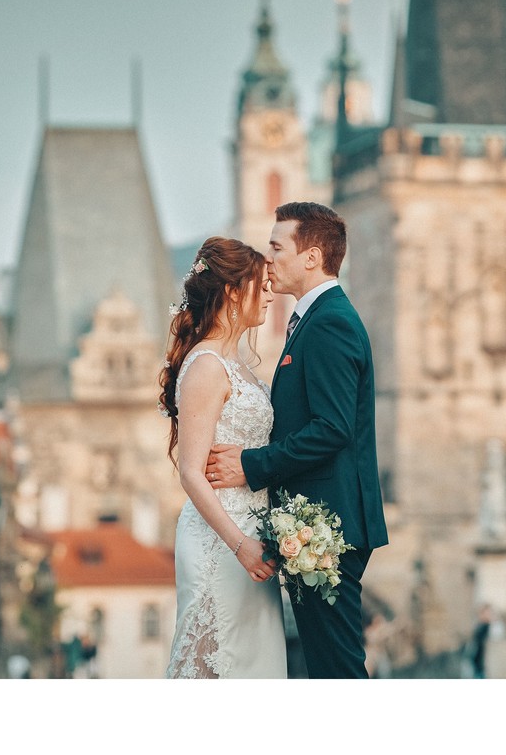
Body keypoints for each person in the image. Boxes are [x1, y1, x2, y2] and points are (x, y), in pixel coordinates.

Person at [206, 202, 388, 679]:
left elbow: (333, 428)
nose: (267, 259)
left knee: (337, 668)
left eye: (276, 246)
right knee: (329, 667)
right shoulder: (314, 318)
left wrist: (252, 465)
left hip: (328, 526)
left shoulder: (329, 321)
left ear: (311, 257)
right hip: (316, 525)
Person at [159, 236, 286, 679]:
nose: (270, 293)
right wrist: (241, 545)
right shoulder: (207, 366)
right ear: (233, 291)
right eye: (260, 284)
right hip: (223, 542)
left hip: (252, 535)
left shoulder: (239, 364)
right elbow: (192, 474)